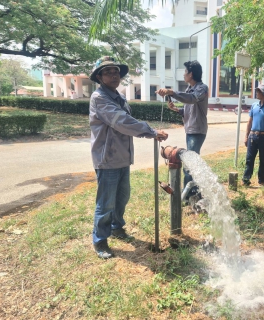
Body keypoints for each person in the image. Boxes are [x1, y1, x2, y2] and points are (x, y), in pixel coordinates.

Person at [89, 56, 168, 259]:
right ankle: (100, 240)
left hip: (122, 157)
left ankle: (117, 227)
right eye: (108, 72)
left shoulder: (119, 96)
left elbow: (128, 120)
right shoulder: (100, 98)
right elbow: (121, 121)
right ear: (99, 76)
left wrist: (148, 130)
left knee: (122, 197)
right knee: (106, 202)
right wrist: (150, 131)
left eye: (116, 71)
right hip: (107, 158)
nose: (114, 75)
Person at [155, 60, 208, 200]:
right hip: (190, 130)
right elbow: (188, 109)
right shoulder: (188, 89)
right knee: (191, 162)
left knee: (190, 164)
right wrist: (176, 109)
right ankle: (195, 193)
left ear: (191, 74)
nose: (184, 74)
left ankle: (189, 195)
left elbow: (192, 99)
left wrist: (171, 92)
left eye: (185, 72)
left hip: (197, 131)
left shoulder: (201, 88)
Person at [242, 85, 264, 186]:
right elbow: (249, 122)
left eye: (258, 91)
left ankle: (261, 180)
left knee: (263, 159)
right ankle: (246, 180)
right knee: (249, 159)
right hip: (253, 136)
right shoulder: (254, 105)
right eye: (257, 91)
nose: (256, 93)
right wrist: (246, 136)